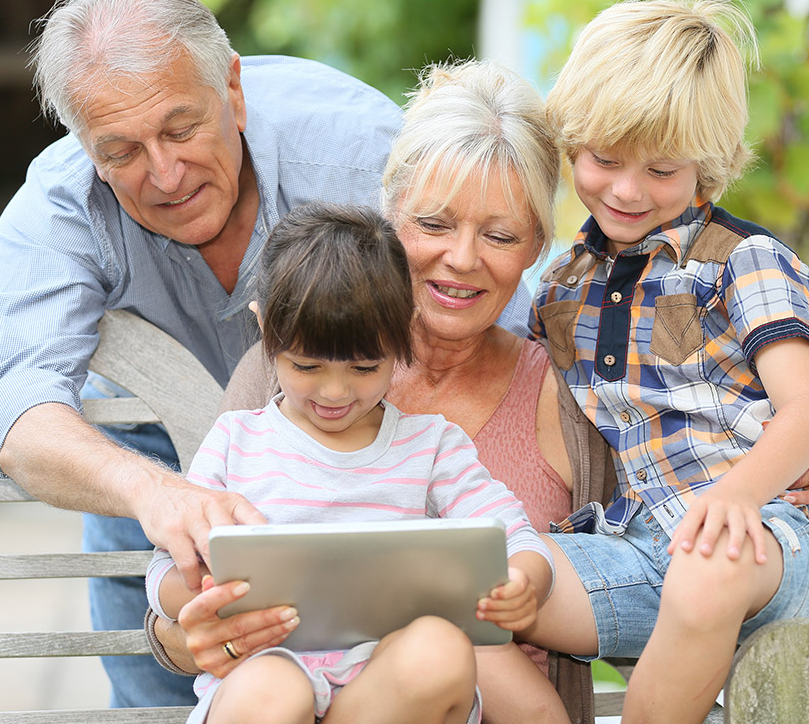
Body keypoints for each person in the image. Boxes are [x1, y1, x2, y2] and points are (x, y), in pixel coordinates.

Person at [147, 59, 809, 723]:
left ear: (535, 248)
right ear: (389, 212)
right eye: (432, 223)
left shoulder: (570, 373)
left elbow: (672, 508)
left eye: (500, 235)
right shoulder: (293, 363)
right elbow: (185, 571)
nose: (461, 259)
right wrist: (192, 635)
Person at [0, 0, 533, 707]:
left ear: (233, 89)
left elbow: (485, 326)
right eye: (120, 150)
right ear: (84, 144)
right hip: (150, 457)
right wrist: (152, 496)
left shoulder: (360, 153)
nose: (164, 173)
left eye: (182, 128)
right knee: (167, 695)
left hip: (378, 463)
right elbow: (11, 407)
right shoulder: (59, 208)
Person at [517, 0, 809, 724]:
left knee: (707, 573)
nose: (628, 189)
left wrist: (737, 496)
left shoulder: (744, 262)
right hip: (647, 553)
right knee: (500, 578)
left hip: (776, 542)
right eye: (604, 160)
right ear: (571, 143)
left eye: (662, 171)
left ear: (710, 165)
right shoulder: (560, 289)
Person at [145, 202, 562, 724]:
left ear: (404, 330)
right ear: (264, 326)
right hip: (264, 678)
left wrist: (524, 582)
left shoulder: (430, 446)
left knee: (438, 648)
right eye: (306, 366)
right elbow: (164, 568)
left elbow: (517, 538)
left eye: (365, 367)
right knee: (275, 689)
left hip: (384, 694)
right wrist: (204, 592)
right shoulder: (237, 439)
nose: (335, 392)